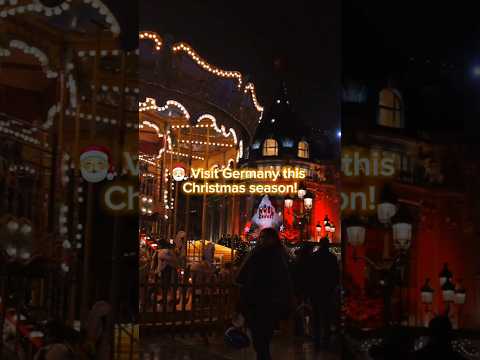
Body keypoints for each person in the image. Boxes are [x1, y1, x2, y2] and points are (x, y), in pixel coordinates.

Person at [235, 227, 293, 360]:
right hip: (261, 301)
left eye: (264, 237)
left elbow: (284, 279)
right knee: (261, 338)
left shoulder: (271, 255)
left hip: (264, 301)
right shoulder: (276, 255)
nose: (262, 240)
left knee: (261, 337)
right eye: (261, 237)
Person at [304, 237, 339, 351]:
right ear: (328, 245)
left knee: (316, 317)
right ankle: (326, 341)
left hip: (315, 291)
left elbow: (308, 275)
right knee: (326, 317)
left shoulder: (313, 257)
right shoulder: (332, 258)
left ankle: (317, 341)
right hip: (327, 291)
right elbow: (336, 276)